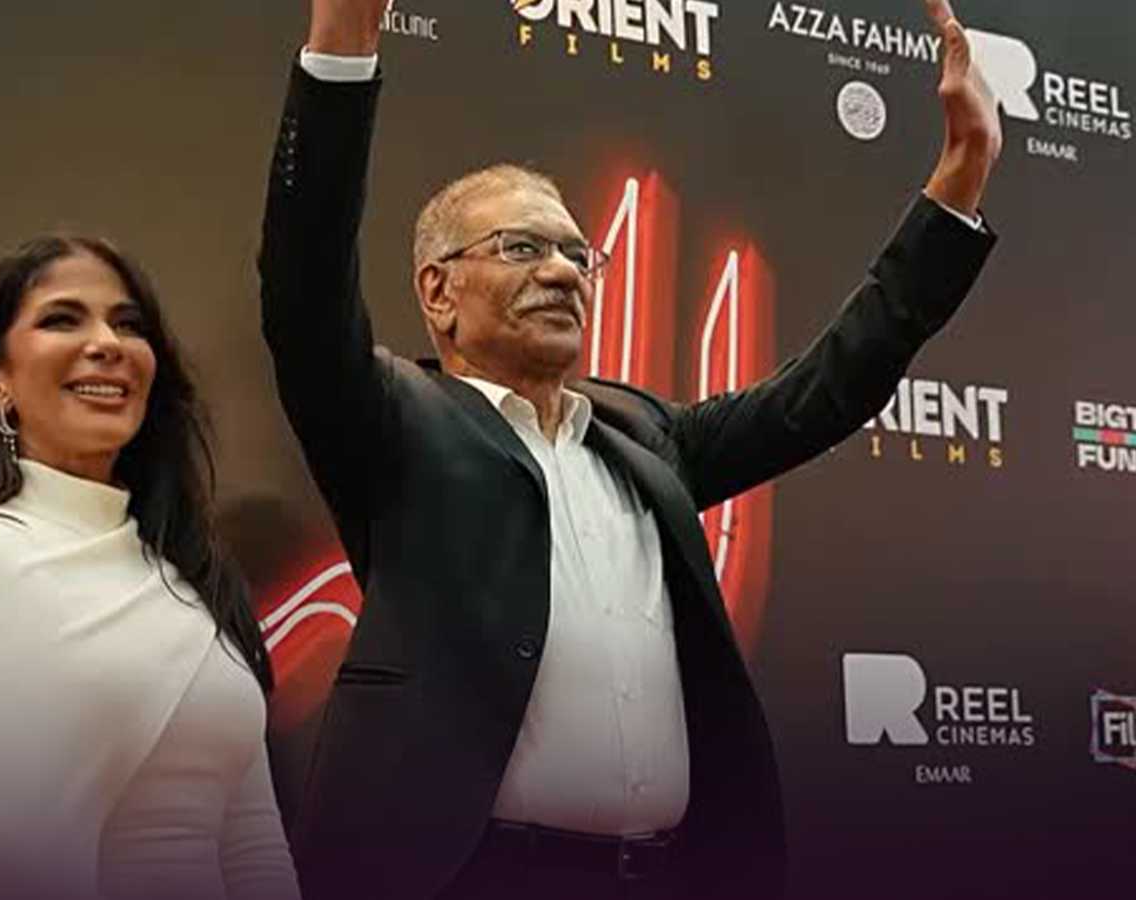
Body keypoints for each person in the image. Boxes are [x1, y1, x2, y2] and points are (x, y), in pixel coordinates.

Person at [257, 1, 1001, 897]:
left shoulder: (645, 435)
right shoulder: (392, 420)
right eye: (522, 247)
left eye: (580, 256)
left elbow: (828, 389)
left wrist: (961, 176)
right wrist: (343, 46)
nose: (562, 271)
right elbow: (304, 285)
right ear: (439, 292)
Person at [0, 236, 301, 900]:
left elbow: (254, 842)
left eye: (128, 324)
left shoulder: (191, 574)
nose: (107, 343)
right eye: (62, 319)